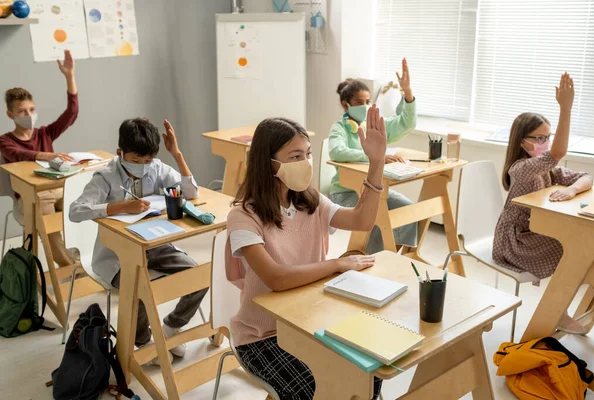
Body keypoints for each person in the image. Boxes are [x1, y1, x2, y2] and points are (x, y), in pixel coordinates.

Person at [225, 105, 388, 399]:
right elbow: (277, 278)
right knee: (313, 391)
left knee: (369, 375)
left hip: (311, 321)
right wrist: (337, 264)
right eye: (296, 156)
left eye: (308, 153)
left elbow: (362, 220)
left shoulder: (310, 202)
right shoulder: (243, 216)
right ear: (269, 162)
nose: (306, 162)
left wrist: (376, 162)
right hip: (263, 337)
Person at [69, 118, 207, 364]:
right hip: (117, 256)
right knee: (140, 288)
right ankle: (145, 342)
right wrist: (120, 206)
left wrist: (176, 153)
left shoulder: (156, 167)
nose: (143, 166)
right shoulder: (106, 176)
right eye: (135, 160)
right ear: (119, 153)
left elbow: (192, 193)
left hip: (155, 243)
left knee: (199, 275)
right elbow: (76, 211)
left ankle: (171, 327)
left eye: (147, 160)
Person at [493, 73, 592, 334]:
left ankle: (562, 309)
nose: (544, 144)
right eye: (539, 138)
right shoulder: (523, 168)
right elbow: (557, 154)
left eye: (547, 137)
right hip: (514, 240)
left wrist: (571, 190)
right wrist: (566, 108)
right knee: (577, 250)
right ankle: (557, 312)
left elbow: (586, 177)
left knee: (583, 246)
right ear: (521, 140)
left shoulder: (547, 171)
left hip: (536, 231)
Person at [328, 58, 417, 254]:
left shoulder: (374, 125)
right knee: (377, 219)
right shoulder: (339, 128)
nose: (365, 106)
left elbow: (406, 123)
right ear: (346, 105)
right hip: (347, 191)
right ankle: (372, 261)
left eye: (367, 102)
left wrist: (407, 93)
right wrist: (373, 157)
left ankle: (394, 256)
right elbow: (336, 151)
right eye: (359, 102)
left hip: (376, 190)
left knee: (410, 210)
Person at [1, 49, 79, 267]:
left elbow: (71, 114)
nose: (29, 115)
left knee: (82, 207)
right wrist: (46, 154)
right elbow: (18, 154)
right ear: (11, 115)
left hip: (56, 188)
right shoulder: (5, 141)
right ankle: (70, 269)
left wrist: (70, 76)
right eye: (22, 112)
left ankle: (86, 260)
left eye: (32, 110)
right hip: (30, 196)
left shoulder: (44, 133)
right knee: (51, 227)